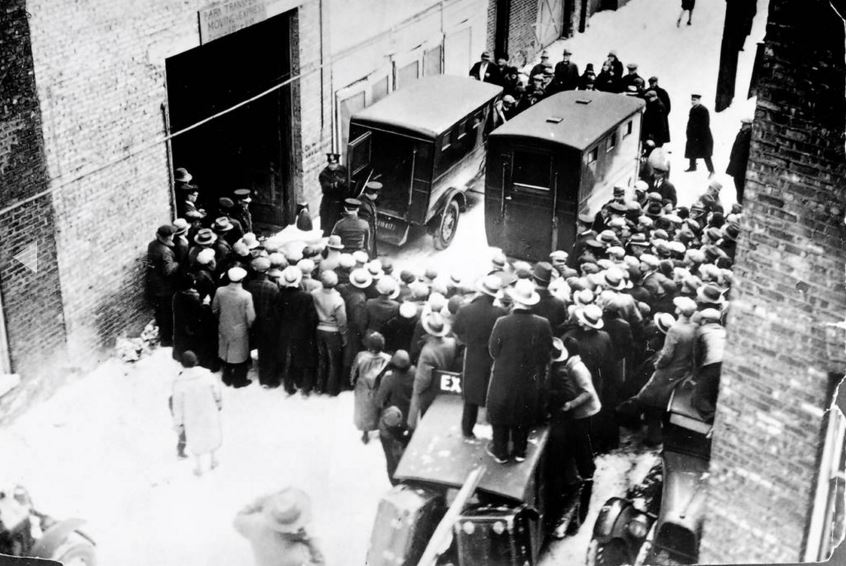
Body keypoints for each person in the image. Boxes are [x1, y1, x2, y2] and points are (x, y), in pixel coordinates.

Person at [486, 280, 553, 464]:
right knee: (524, 413)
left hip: (504, 376)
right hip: (529, 378)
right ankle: (520, 451)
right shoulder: (543, 323)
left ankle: (500, 451)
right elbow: (547, 352)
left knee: (500, 413)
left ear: (515, 300)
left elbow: (493, 351)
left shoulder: (502, 322)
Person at [546, 337, 600, 537]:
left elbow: (587, 393)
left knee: (581, 450)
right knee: (580, 448)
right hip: (577, 415)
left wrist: (569, 405)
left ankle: (586, 481)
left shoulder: (575, 369)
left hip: (582, 413)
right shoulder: (567, 366)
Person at [452, 275, 507, 440]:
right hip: (493, 356)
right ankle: (492, 427)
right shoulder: (500, 313)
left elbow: (456, 331)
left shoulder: (466, 310)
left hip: (473, 355)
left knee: (471, 392)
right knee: (492, 390)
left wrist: (468, 340)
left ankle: (467, 429)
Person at [233, 487, 325, 566]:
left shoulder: (257, 525)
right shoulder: (299, 552)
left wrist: (260, 502)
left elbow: (238, 519)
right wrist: (311, 543)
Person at [171, 351, 223, 476]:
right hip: (208, 409)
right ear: (196, 361)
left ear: (182, 364)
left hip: (191, 414)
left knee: (196, 438)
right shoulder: (206, 375)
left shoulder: (180, 382)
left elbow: (177, 405)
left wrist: (178, 422)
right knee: (211, 433)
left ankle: (199, 467)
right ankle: (213, 460)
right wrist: (218, 403)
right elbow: (216, 390)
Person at [407, 311, 458, 429]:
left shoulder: (427, 351)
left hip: (431, 390)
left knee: (427, 419)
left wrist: (417, 391)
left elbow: (423, 379)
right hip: (446, 386)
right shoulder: (452, 342)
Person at [375, 350, 415, 484]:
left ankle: (395, 484)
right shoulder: (415, 372)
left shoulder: (389, 378)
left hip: (393, 420)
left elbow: (379, 400)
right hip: (411, 420)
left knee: (391, 459)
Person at [277, 266, 318, 395]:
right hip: (302, 333)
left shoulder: (279, 295)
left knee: (288, 358)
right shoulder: (306, 297)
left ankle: (289, 385)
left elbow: (276, 316)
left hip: (285, 331)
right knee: (301, 357)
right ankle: (300, 382)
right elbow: (312, 318)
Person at [212, 266, 256, 388]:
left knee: (225, 351)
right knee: (239, 355)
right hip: (240, 328)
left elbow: (214, 308)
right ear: (242, 280)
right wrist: (249, 326)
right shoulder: (246, 295)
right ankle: (239, 380)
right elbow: (251, 316)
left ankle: (226, 377)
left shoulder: (220, 291)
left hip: (224, 324)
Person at [245, 257, 280, 388]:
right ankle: (267, 378)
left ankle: (252, 367)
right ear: (267, 271)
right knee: (267, 351)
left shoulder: (249, 285)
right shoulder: (273, 287)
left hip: (253, 321)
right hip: (268, 323)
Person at [312, 270, 347, 396]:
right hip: (333, 332)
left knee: (321, 359)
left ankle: (319, 386)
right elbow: (342, 321)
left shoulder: (314, 294)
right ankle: (332, 389)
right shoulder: (338, 299)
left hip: (319, 329)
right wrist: (344, 336)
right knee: (334, 362)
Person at [351, 331, 391, 444]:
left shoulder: (361, 356)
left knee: (363, 410)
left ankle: (365, 433)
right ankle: (379, 428)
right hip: (378, 387)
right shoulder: (387, 358)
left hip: (362, 388)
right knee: (378, 408)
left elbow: (354, 372)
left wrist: (353, 382)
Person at [146, 224, 180, 346]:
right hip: (164, 289)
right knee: (167, 315)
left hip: (153, 285)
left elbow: (148, 262)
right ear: (169, 236)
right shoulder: (166, 251)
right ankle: (167, 340)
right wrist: (177, 263)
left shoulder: (152, 245)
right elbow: (168, 271)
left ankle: (163, 335)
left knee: (160, 313)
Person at [684, 94, 715, 176]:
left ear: (699, 100)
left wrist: (698, 135)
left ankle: (711, 170)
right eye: (692, 100)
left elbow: (705, 124)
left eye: (694, 100)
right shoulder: (692, 109)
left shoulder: (703, 110)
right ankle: (692, 167)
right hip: (693, 135)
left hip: (703, 136)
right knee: (691, 151)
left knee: (706, 154)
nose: (692, 102)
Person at [318, 153, 349, 236]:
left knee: (341, 222)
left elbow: (346, 183)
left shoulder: (342, 170)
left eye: (334, 164)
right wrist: (337, 184)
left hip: (341, 201)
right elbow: (326, 189)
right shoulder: (324, 174)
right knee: (329, 225)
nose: (332, 166)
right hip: (330, 203)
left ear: (337, 163)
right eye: (330, 164)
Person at [726, 118, 752, 203]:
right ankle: (739, 201)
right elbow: (735, 147)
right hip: (736, 165)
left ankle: (740, 202)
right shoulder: (741, 133)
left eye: (745, 124)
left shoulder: (750, 135)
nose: (742, 126)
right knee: (737, 183)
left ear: (749, 125)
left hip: (742, 167)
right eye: (743, 124)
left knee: (741, 185)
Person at [359, 181, 381, 258]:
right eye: (377, 194)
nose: (377, 196)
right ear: (373, 194)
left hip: (370, 232)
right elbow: (364, 226)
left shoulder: (366, 200)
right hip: (367, 235)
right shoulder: (365, 206)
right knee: (367, 252)